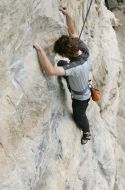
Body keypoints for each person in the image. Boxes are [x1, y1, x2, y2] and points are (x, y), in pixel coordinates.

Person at [33, 6, 92, 144]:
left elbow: (50, 71)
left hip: (81, 97)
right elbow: (73, 31)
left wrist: (41, 51)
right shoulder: (82, 49)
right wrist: (68, 15)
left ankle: (87, 132)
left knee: (79, 115)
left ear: (67, 54)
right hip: (81, 78)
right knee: (60, 64)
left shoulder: (75, 67)